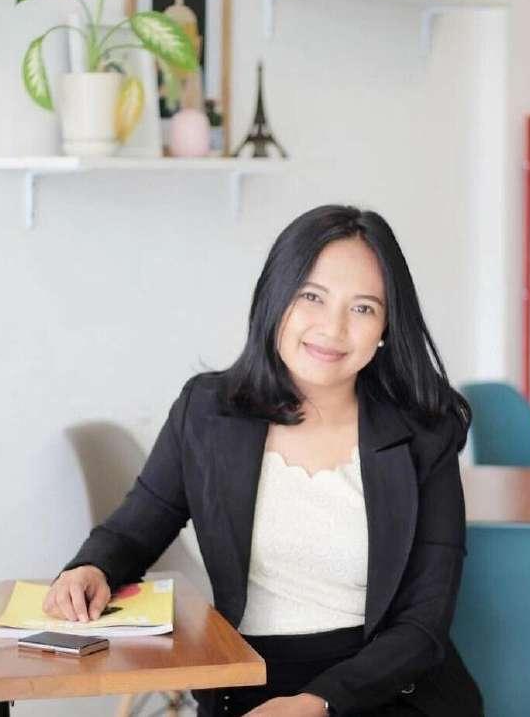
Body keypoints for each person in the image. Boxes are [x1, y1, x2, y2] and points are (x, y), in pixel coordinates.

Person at [45, 205, 483, 717]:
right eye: (312, 297)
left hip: (383, 689)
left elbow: (424, 624)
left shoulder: (424, 433)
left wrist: (317, 703)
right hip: (246, 678)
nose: (333, 328)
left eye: (363, 308)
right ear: (277, 298)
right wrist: (90, 568)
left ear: (386, 326)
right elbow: (134, 530)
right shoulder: (207, 413)